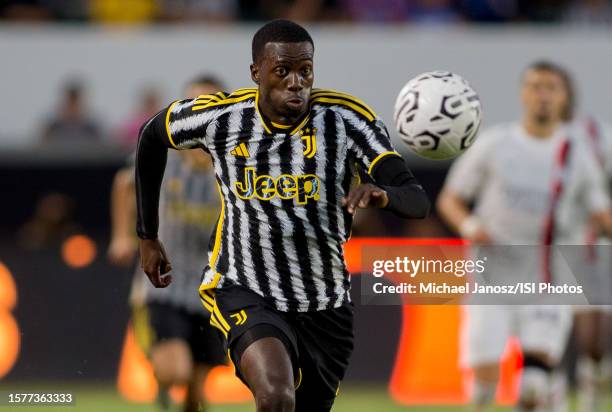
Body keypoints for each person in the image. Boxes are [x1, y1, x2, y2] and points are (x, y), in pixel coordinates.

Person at [135, 19, 430, 412]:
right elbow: (152, 136)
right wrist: (147, 235)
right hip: (245, 286)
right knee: (275, 395)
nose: (296, 82)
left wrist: (383, 196)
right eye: (282, 71)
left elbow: (416, 199)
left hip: (325, 303)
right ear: (256, 73)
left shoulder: (347, 120)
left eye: (305, 70)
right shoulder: (222, 117)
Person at [437, 61, 612, 412]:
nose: (542, 95)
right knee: (483, 389)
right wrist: (472, 227)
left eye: (551, 88)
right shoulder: (494, 144)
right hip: (492, 281)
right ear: (523, 94)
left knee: (533, 386)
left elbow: (601, 213)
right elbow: (450, 200)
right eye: (535, 87)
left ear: (564, 98)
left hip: (547, 283)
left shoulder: (577, 155)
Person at [109, 75, 228, 412]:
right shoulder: (164, 152)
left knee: (197, 392)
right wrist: (122, 236)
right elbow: (123, 183)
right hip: (166, 284)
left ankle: (188, 397)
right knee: (177, 370)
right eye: (192, 103)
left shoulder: (235, 159)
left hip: (215, 287)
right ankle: (166, 379)